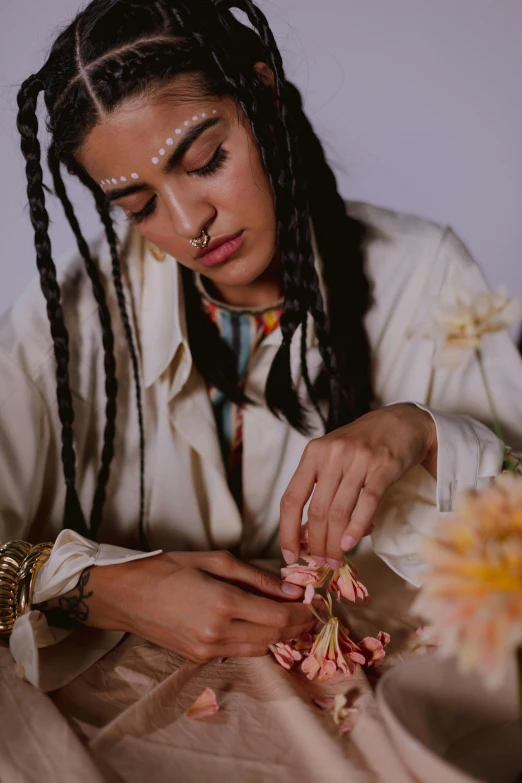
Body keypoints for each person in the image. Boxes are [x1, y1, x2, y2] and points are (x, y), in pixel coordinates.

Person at [2, 0, 522, 691]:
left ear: (264, 97)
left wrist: (423, 434)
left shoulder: (424, 275)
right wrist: (100, 587)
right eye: (139, 206)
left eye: (206, 160)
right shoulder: (70, 319)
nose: (190, 224)